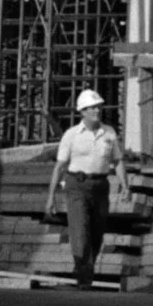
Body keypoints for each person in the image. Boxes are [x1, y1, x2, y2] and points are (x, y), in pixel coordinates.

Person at [44, 87, 125, 289]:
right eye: (92, 108)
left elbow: (118, 161)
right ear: (82, 111)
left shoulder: (109, 133)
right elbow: (60, 166)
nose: (97, 111)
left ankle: (85, 268)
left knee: (97, 232)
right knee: (80, 231)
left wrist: (126, 185)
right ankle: (84, 275)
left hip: (100, 186)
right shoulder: (71, 135)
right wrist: (51, 197)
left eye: (98, 107)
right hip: (76, 186)